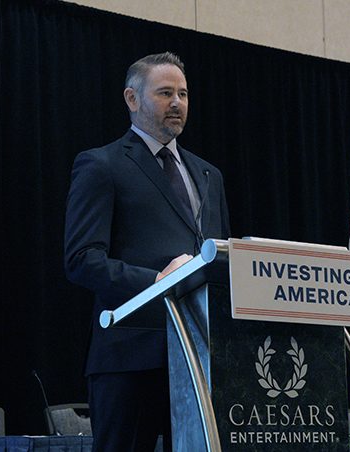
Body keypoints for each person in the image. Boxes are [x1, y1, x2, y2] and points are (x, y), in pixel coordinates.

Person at [64, 52, 231, 451]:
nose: (177, 103)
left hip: (198, 358)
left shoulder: (209, 175)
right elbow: (82, 260)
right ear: (132, 99)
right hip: (130, 356)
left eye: (184, 94)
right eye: (165, 93)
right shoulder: (101, 165)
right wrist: (157, 284)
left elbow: (218, 259)